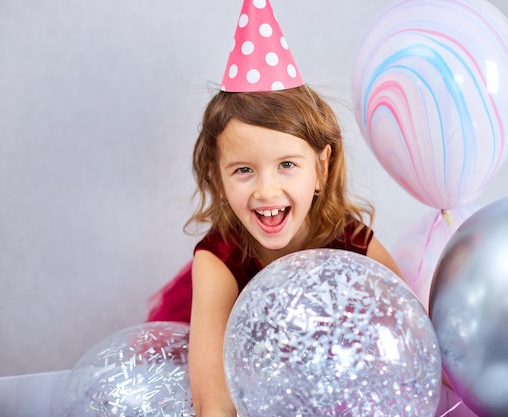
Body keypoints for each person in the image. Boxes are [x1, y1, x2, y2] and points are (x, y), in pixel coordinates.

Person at [147, 1, 402, 416]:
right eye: (244, 170)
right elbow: (213, 402)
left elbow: (411, 334)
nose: (267, 191)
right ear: (217, 178)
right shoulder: (218, 261)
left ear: (321, 168)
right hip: (249, 388)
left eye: (287, 165)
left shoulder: (351, 243)